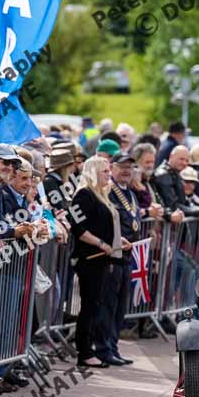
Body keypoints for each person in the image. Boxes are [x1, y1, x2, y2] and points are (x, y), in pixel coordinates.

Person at [69, 156, 132, 368]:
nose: (109, 174)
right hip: (89, 259)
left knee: (97, 305)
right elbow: (78, 228)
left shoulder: (102, 195)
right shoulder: (83, 195)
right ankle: (84, 352)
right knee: (89, 306)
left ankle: (93, 348)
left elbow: (105, 225)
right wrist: (101, 243)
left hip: (103, 259)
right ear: (94, 172)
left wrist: (116, 241)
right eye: (105, 171)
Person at [107, 153, 140, 365]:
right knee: (109, 305)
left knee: (120, 306)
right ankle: (105, 347)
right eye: (122, 166)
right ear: (112, 167)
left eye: (130, 166)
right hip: (113, 255)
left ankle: (114, 346)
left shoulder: (131, 193)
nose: (127, 170)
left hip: (127, 255)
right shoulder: (109, 191)